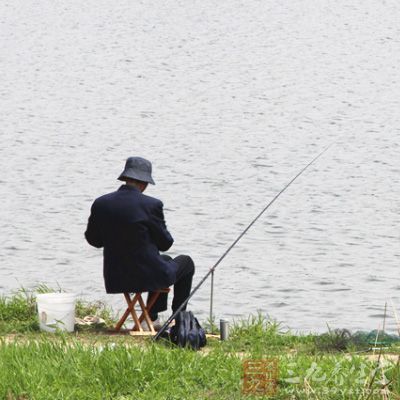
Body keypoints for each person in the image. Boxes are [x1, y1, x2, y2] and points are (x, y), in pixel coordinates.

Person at [84, 156, 195, 325]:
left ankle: (151, 317)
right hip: (146, 276)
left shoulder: (101, 203)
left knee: (164, 261)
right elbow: (166, 244)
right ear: (144, 183)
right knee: (186, 262)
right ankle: (178, 319)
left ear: (125, 178)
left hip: (116, 278)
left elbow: (94, 240)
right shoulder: (151, 205)